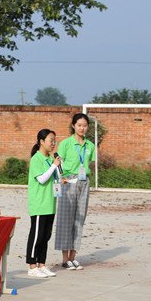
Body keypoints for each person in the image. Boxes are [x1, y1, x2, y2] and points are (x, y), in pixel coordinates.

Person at [55, 113, 96, 270]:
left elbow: (88, 163)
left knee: (80, 218)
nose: (82, 128)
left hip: (84, 181)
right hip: (68, 181)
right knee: (66, 219)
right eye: (79, 125)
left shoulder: (90, 146)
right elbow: (59, 164)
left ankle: (73, 256)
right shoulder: (66, 143)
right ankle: (65, 259)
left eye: (85, 125)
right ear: (73, 125)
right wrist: (60, 178)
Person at [26, 129, 63, 278]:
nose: (53, 143)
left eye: (54, 140)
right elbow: (41, 179)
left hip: (50, 203)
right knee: (37, 236)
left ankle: (42, 264)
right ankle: (32, 265)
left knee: (46, 236)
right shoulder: (37, 159)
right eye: (50, 140)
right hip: (39, 204)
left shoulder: (50, 158)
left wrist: (60, 173)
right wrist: (54, 166)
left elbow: (54, 177)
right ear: (41, 141)